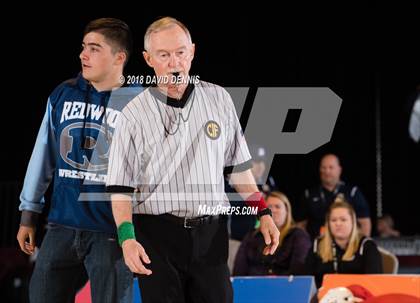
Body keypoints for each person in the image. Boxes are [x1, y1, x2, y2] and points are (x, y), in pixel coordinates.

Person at [105, 17, 279, 303]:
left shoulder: (219, 99)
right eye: (164, 55)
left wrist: (263, 212)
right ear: (148, 59)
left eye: (181, 52)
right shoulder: (132, 115)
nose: (175, 62)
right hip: (156, 236)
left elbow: (237, 167)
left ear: (193, 51)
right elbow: (120, 189)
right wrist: (127, 238)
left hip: (210, 234)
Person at [16, 18, 140, 303]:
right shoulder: (63, 93)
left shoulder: (140, 103)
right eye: (84, 47)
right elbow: (42, 155)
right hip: (61, 225)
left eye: (94, 49)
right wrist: (29, 213)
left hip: (110, 232)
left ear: (119, 57)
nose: (83, 55)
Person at [303, 201, 382, 288]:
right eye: (333, 220)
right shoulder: (317, 244)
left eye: (343, 219)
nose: (338, 224)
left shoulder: (367, 246)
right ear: (328, 224)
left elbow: (374, 283)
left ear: (353, 222)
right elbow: (307, 280)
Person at [233, 191, 310, 276]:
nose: (273, 210)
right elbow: (239, 269)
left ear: (287, 211)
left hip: (284, 285)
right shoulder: (252, 236)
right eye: (269, 207)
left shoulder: (298, 236)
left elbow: (298, 270)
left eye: (277, 207)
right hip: (253, 285)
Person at [296, 153, 372, 239]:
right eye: (323, 168)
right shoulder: (309, 194)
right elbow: (300, 225)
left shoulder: (352, 192)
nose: (327, 171)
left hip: (346, 244)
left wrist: (362, 244)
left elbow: (365, 223)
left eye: (331, 167)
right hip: (316, 244)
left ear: (339, 170)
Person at [228, 144, 278, 241]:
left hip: (259, 239)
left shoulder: (268, 181)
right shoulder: (233, 180)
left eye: (263, 162)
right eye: (256, 162)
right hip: (236, 239)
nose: (261, 166)